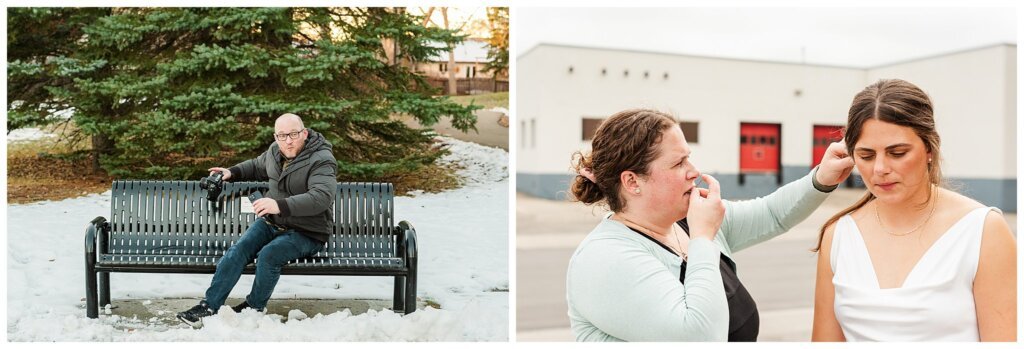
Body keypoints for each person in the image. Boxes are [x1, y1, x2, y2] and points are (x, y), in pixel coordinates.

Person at [566, 108, 855, 341]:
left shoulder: (686, 221)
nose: (694, 172)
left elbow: (772, 214)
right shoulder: (604, 259)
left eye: (689, 159)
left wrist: (822, 177)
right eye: (678, 163)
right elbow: (701, 336)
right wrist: (703, 239)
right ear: (632, 182)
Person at [811, 79, 1017, 341]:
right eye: (866, 155)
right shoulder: (838, 234)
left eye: (897, 153)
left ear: (929, 149)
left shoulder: (983, 231)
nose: (880, 169)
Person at [176, 113, 338, 328]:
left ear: (304, 133)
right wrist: (230, 172)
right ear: (275, 136)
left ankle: (253, 308)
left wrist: (279, 205)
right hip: (274, 221)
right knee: (238, 250)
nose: (288, 140)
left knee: (270, 255)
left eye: (293, 134)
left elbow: (321, 198)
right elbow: (256, 166)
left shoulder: (322, 159)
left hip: (308, 231)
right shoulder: (275, 151)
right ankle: (209, 306)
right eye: (282, 135)